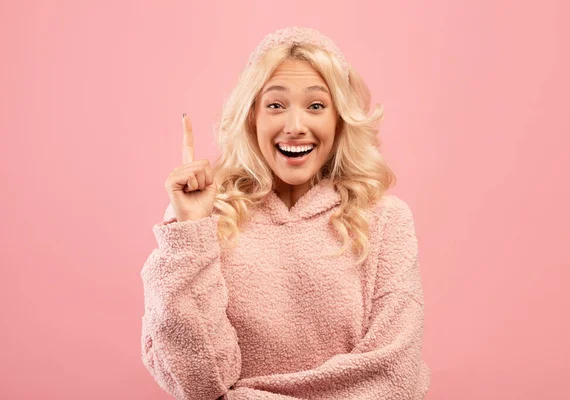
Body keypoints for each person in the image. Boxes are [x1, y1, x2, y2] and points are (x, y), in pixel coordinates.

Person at [140, 26, 431, 400]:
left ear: (338, 120)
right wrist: (192, 232)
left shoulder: (386, 220)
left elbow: (394, 378)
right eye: (276, 105)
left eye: (316, 106)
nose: (295, 127)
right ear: (252, 118)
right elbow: (195, 382)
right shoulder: (201, 218)